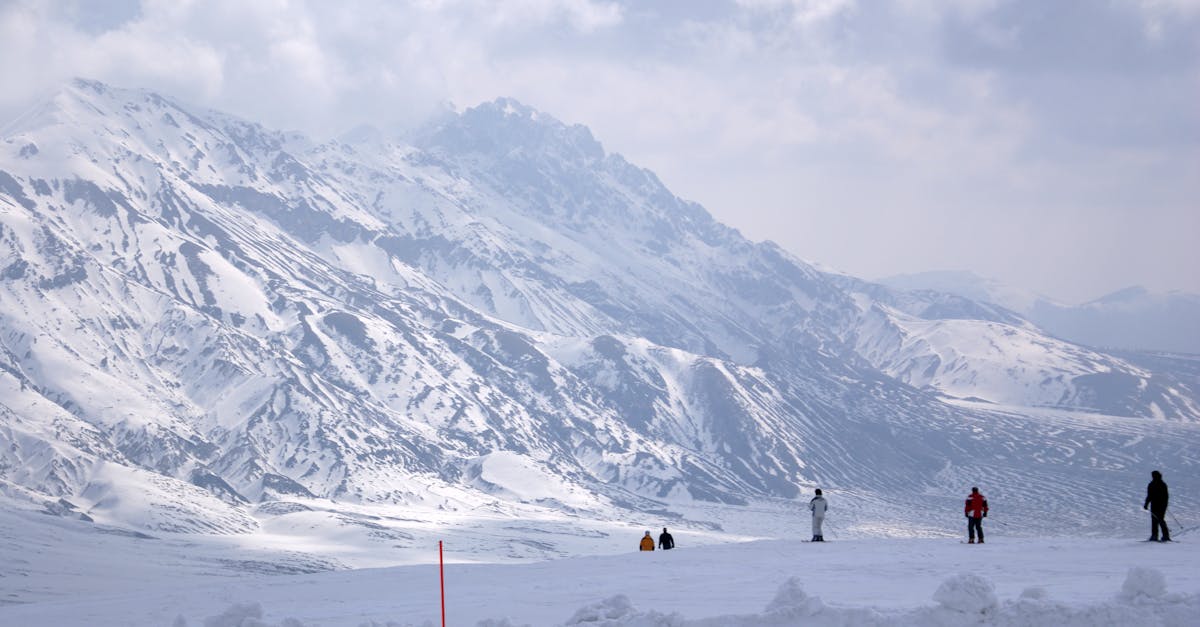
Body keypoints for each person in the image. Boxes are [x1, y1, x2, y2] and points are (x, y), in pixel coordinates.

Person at [1144, 470, 1171, 542]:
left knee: (1158, 519)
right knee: (1157, 520)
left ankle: (1159, 536)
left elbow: (1150, 496)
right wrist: (1146, 504)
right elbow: (1150, 495)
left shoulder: (1155, 484)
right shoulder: (1161, 484)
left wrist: (1146, 504)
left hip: (1158, 505)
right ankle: (1160, 535)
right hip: (1158, 505)